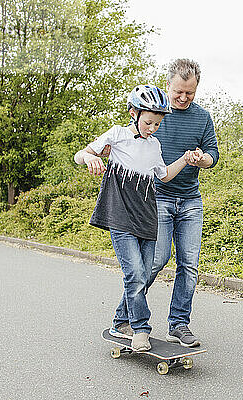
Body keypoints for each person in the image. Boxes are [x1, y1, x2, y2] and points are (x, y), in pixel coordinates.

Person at [74, 84, 196, 352]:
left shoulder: (154, 145)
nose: (152, 128)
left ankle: (121, 321)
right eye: (149, 122)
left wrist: (185, 160)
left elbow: (163, 175)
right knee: (136, 274)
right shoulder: (117, 135)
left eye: (158, 123)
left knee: (141, 274)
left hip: (146, 218)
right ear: (134, 113)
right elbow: (81, 154)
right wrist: (89, 158)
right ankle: (141, 328)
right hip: (119, 216)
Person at [146, 59, 220, 348]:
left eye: (189, 92)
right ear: (168, 86)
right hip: (158, 197)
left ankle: (178, 325)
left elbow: (213, 152)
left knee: (189, 265)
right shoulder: (155, 114)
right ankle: (126, 315)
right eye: (178, 91)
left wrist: (204, 160)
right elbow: (136, 143)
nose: (183, 97)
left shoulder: (202, 117)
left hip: (190, 200)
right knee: (157, 259)